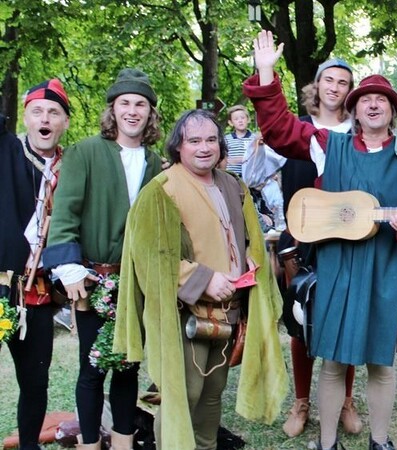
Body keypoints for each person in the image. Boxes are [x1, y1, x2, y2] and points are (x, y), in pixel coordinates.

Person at [244, 30, 397, 450]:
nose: (373, 104)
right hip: (334, 268)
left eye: (382, 100)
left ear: (393, 112)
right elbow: (278, 129)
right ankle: (327, 442)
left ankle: (380, 441)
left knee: (380, 364)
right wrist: (266, 74)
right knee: (332, 360)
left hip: (383, 270)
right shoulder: (324, 144)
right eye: (365, 98)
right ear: (353, 108)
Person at [112, 109, 288, 450]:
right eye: (194, 141)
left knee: (212, 392)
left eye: (210, 140)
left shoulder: (233, 185)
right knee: (183, 393)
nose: (204, 147)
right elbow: (149, 256)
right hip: (186, 312)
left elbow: (250, 235)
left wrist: (252, 257)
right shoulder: (162, 190)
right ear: (178, 146)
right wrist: (202, 279)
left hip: (230, 308)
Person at [42, 68, 163, 450]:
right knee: (93, 368)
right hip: (91, 280)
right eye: (124, 103)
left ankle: (125, 444)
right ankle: (90, 444)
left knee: (128, 368)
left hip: (136, 282)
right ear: (113, 110)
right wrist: (69, 269)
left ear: (149, 113)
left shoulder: (157, 164)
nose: (132, 111)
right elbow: (64, 216)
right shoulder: (85, 152)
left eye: (140, 104)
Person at [274, 57, 365, 438]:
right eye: (329, 80)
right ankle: (301, 401)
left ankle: (345, 400)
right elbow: (256, 173)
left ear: (350, 91)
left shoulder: (360, 135)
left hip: (347, 241)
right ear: (316, 85)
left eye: (343, 82)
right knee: (301, 325)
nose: (335, 87)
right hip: (301, 241)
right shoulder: (297, 131)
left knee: (346, 321)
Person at [0, 79, 70, 450]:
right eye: (37, 111)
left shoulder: (73, 166)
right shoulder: (7, 150)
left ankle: (30, 446)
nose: (45, 119)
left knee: (35, 380)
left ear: (64, 123)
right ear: (25, 118)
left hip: (38, 293)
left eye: (54, 113)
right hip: (0, 285)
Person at [222, 104, 255, 176]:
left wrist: (241, 159)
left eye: (242, 118)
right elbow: (223, 158)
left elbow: (258, 157)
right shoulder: (226, 139)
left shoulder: (254, 138)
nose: (240, 121)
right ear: (231, 123)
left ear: (248, 119)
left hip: (251, 177)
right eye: (236, 119)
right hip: (232, 176)